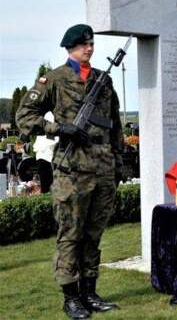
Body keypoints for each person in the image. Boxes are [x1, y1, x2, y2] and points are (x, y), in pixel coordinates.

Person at [16, 24, 123, 319]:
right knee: (70, 234)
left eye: (91, 43)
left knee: (94, 235)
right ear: (69, 48)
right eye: (83, 44)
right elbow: (25, 116)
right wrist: (58, 128)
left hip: (102, 169)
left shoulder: (104, 79)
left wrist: (119, 161)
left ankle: (90, 292)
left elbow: (113, 123)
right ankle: (71, 297)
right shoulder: (55, 79)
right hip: (72, 170)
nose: (89, 48)